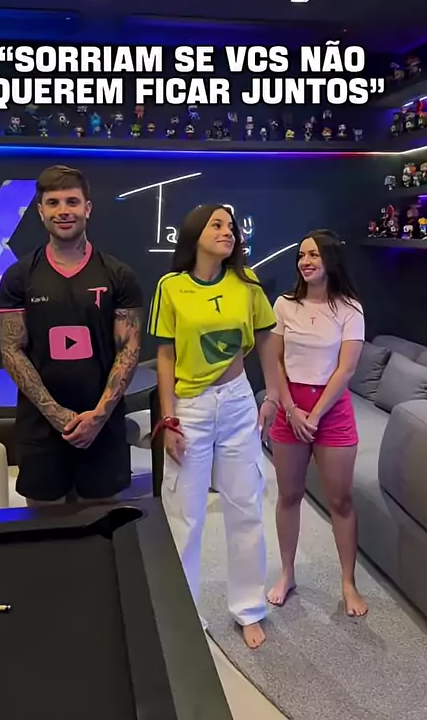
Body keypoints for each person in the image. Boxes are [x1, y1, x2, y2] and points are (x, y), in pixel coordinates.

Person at [148, 204, 279, 649]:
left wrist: (272, 395)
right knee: (185, 514)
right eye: (217, 225)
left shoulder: (247, 283)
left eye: (231, 226)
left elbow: (267, 340)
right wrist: (168, 418)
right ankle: (184, 613)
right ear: (194, 234)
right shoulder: (171, 286)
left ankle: (249, 608)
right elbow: (165, 354)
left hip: (239, 401)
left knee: (246, 506)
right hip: (191, 408)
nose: (228, 231)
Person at [0, 165, 143, 506]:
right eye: (53, 203)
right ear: (40, 211)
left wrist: (99, 415)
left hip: (103, 426)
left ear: (87, 208)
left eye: (72, 202)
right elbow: (11, 350)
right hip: (41, 428)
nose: (63, 211)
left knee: (102, 524)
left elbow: (129, 348)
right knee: (44, 527)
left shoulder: (119, 275)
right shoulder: (19, 276)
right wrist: (58, 415)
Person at [267, 229, 367, 617]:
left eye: (313, 255)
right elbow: (275, 361)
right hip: (291, 408)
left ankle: (348, 583)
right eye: (301, 255)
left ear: (330, 259)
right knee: (288, 496)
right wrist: (292, 409)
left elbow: (346, 370)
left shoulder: (350, 308)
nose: (305, 261)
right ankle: (287, 573)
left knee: (340, 500)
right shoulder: (284, 304)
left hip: (332, 411)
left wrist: (315, 414)